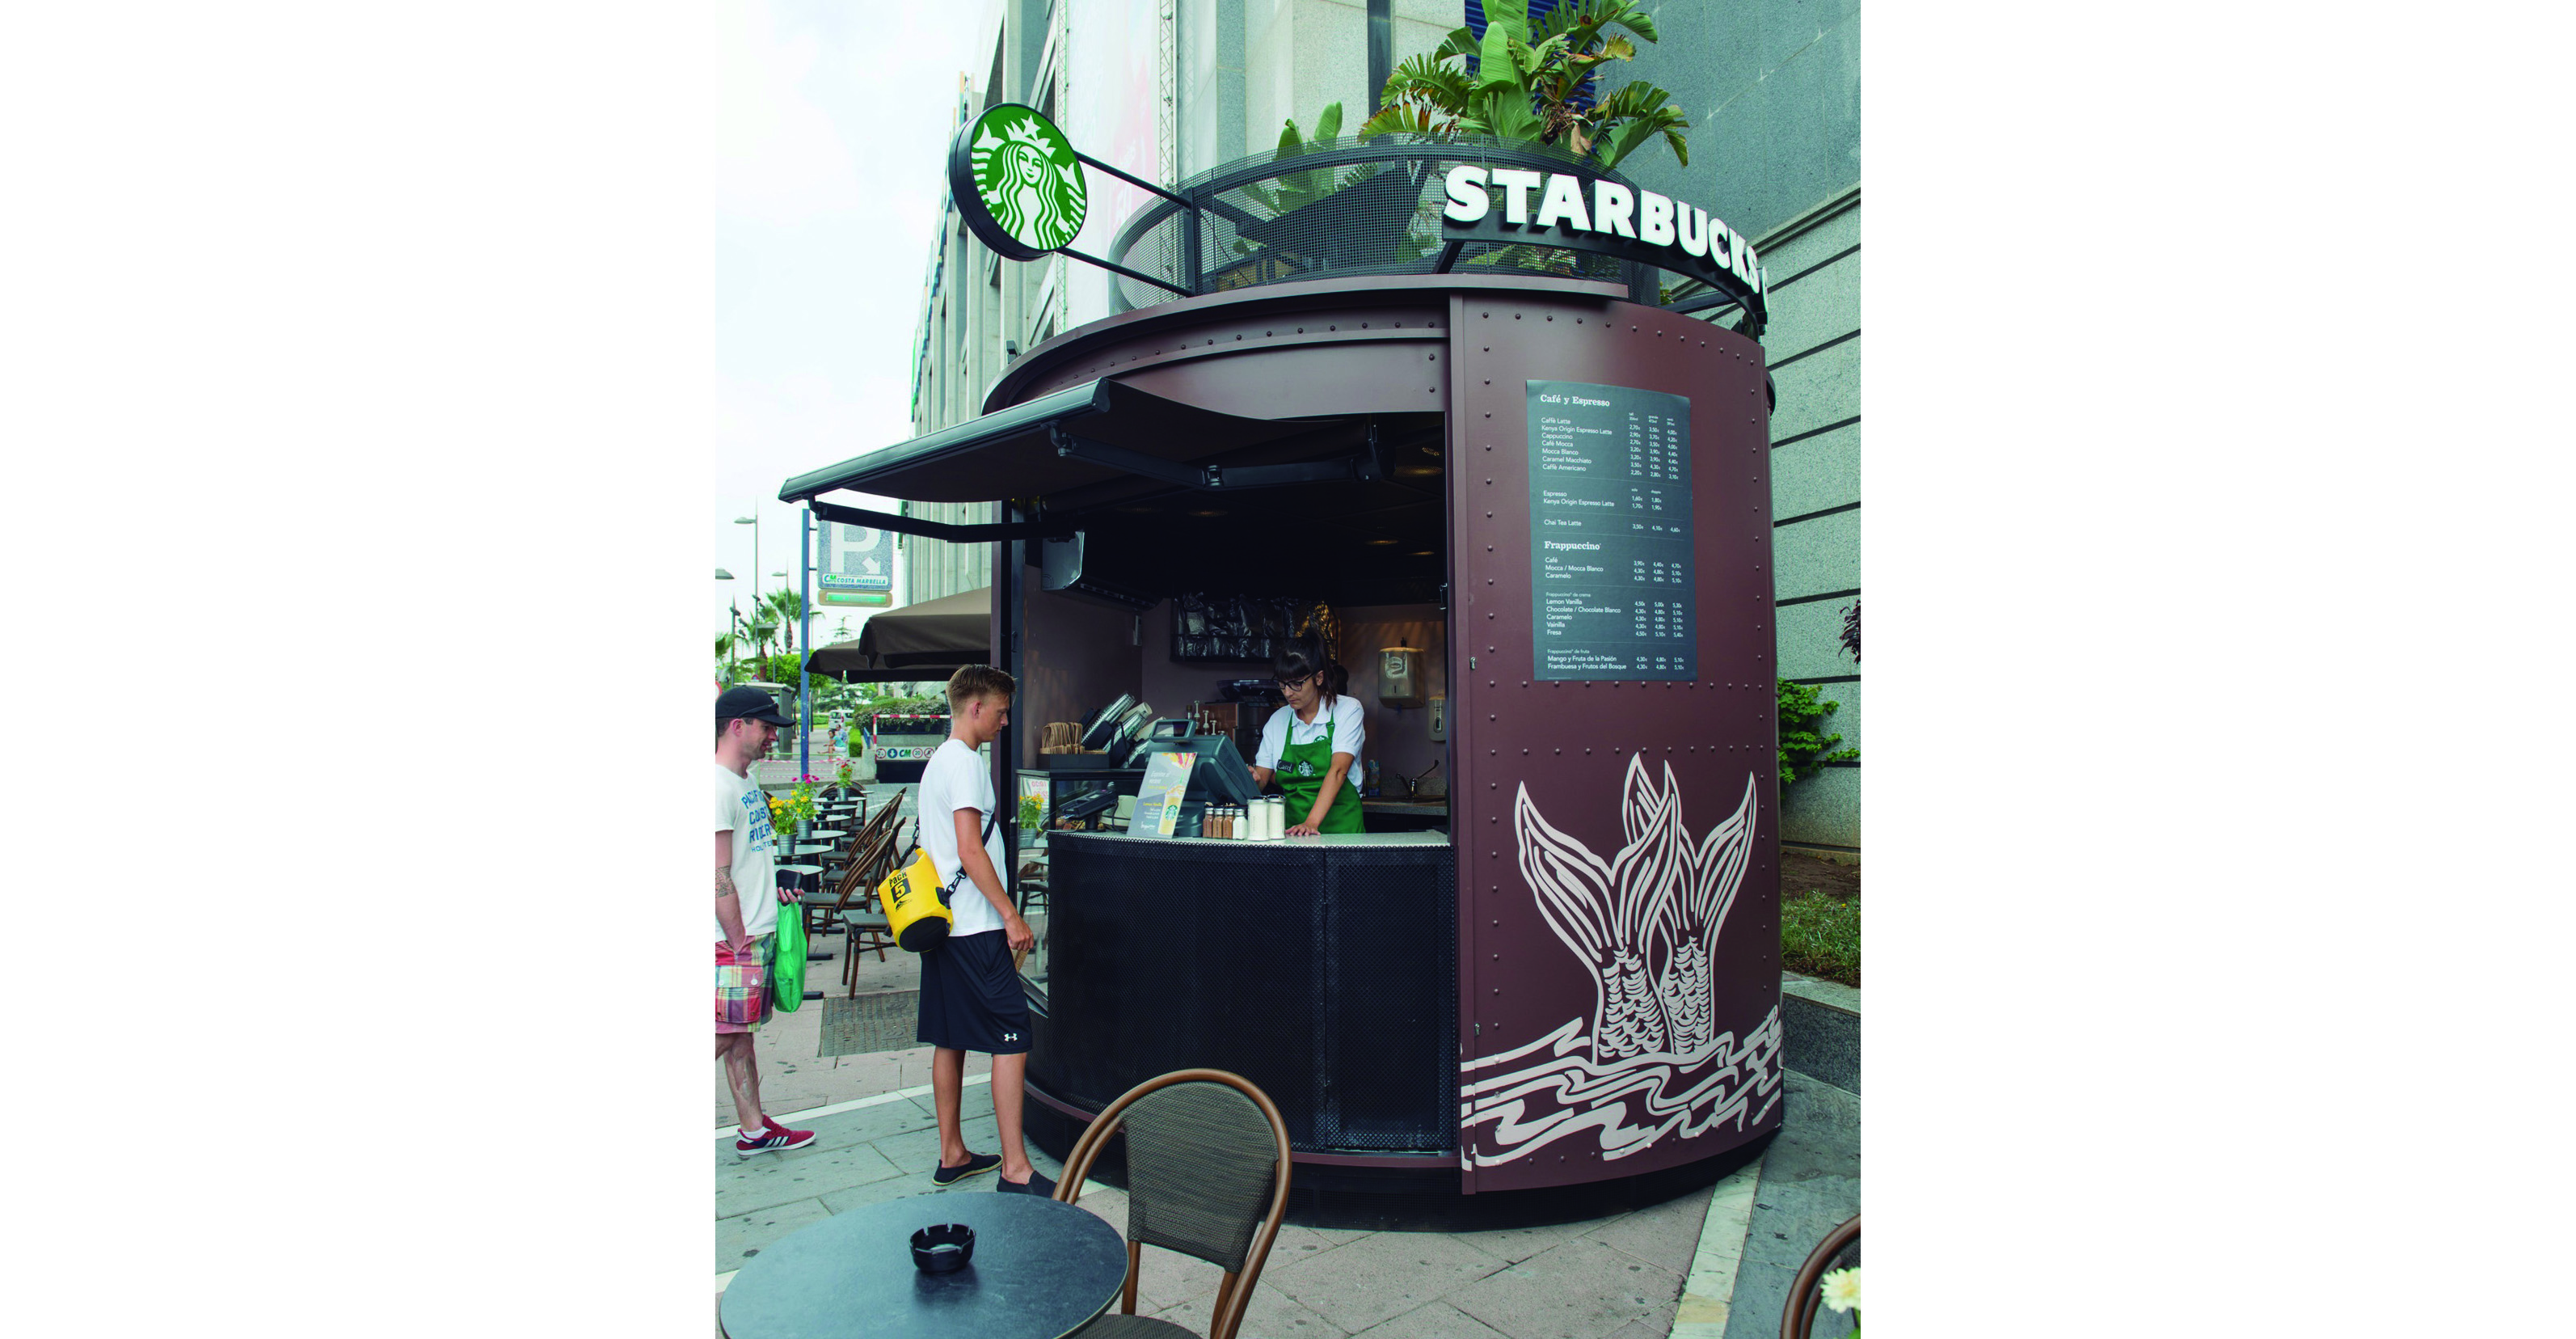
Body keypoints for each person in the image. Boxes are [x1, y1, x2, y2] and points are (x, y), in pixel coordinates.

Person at [916, 665, 1050, 1193]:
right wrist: (1011, 915)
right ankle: (1015, 1169)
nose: (1003, 720)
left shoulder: (937, 763)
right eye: (999, 710)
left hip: (944, 927)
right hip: (975, 927)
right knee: (1012, 1035)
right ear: (975, 708)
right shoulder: (967, 764)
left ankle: (951, 1153)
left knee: (950, 1038)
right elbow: (970, 849)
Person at [715, 686, 816, 1157]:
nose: (774, 734)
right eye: (766, 725)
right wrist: (739, 942)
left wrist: (772, 885)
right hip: (732, 941)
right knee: (725, 1035)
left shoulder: (745, 783)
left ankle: (754, 1129)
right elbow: (714, 875)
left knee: (740, 1038)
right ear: (738, 727)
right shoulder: (716, 788)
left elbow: (742, 861)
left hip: (752, 930)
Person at [1251, 633, 1366, 835]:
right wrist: (1250, 779)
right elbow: (1262, 779)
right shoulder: (1278, 720)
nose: (1288, 693)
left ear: (1319, 678)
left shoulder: (1348, 710)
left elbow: (1339, 771)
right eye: (1282, 684)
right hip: (1293, 834)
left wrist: (1311, 823)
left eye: (1296, 683)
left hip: (1343, 832)